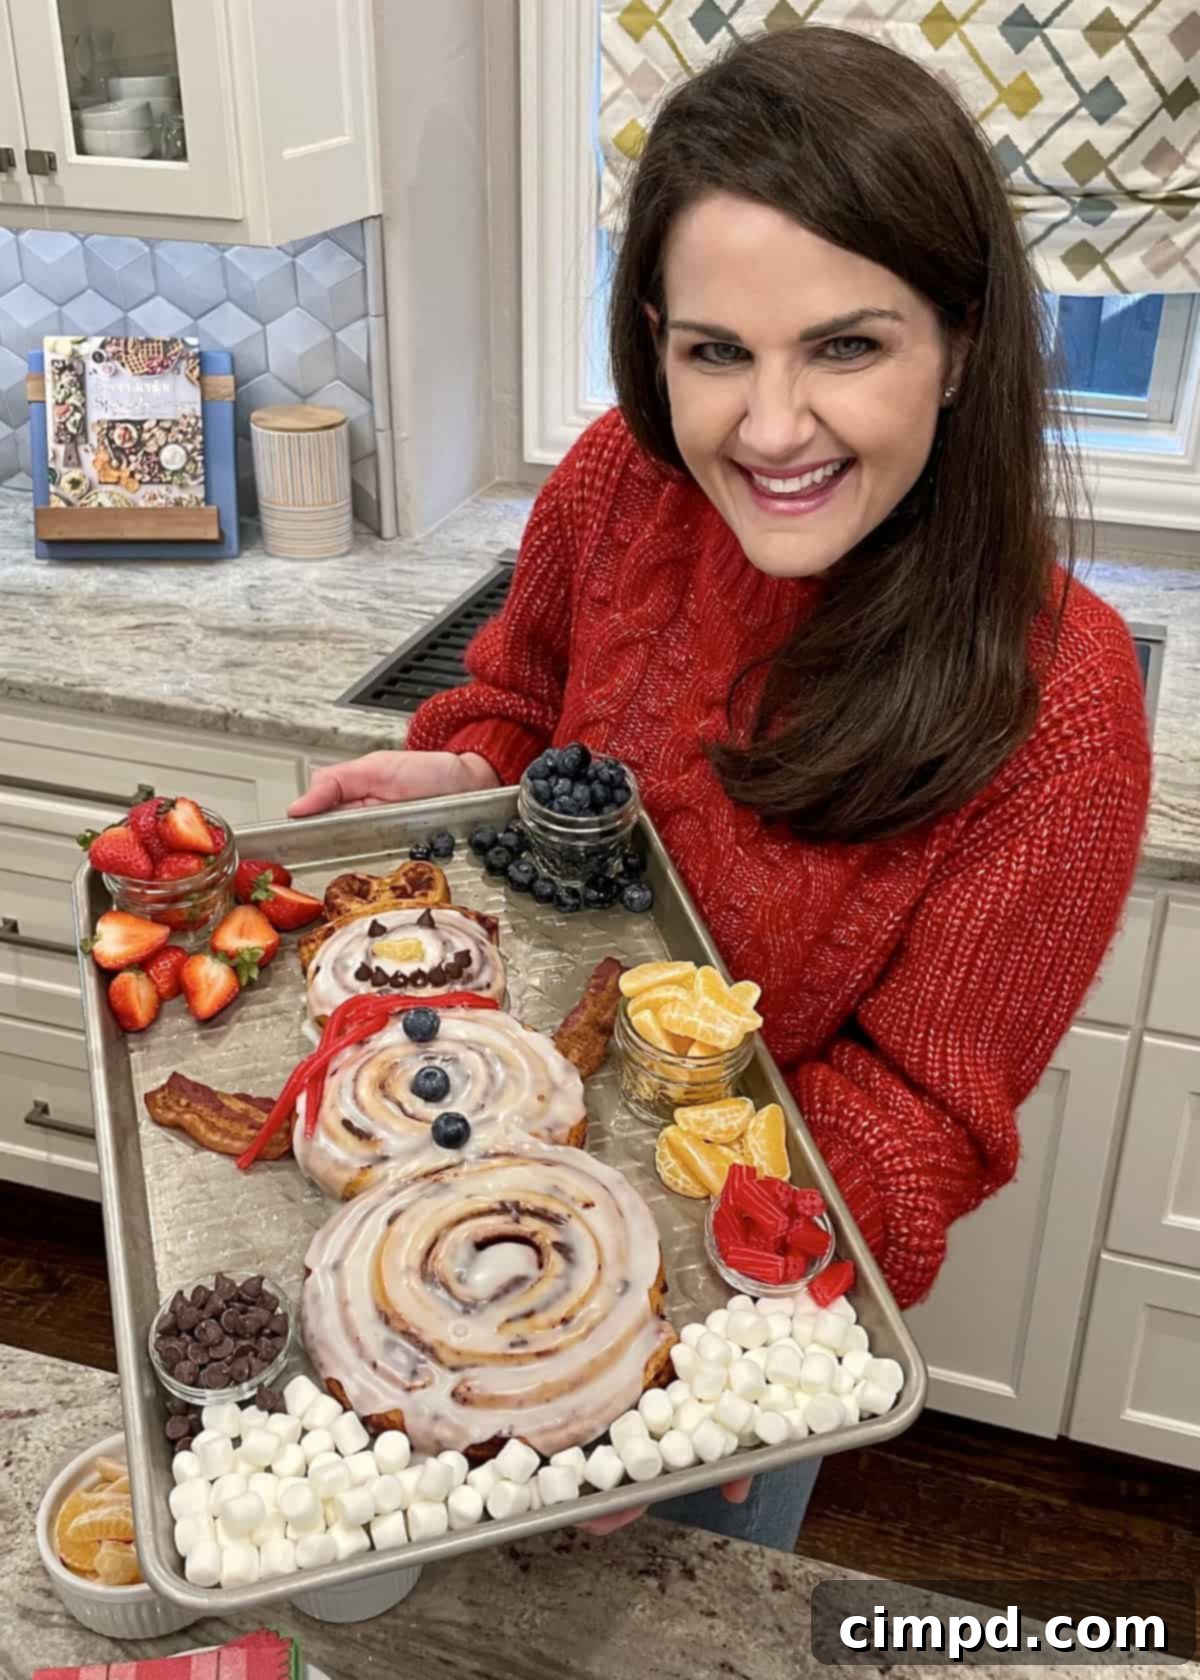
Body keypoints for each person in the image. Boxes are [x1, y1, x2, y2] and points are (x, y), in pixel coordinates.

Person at [290, 27, 1150, 1550]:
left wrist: (672, 1327)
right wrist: (464, 765)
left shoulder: (1060, 704)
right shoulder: (621, 482)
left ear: (958, 340)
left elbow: (919, 1120)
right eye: (716, 351)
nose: (770, 428)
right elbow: (517, 707)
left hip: (720, 1301)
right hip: (454, 1148)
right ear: (654, 337)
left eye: (847, 345)